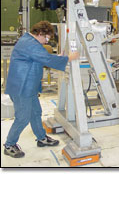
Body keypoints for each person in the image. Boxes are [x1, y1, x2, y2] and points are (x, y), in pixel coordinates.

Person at [3, 21, 80, 158]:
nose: (46, 41)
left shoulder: (30, 41)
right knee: (23, 118)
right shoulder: (30, 44)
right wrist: (68, 58)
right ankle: (9, 145)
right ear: (40, 34)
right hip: (22, 88)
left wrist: (59, 58)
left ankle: (41, 138)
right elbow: (45, 58)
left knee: (36, 112)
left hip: (29, 86)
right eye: (47, 38)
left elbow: (41, 58)